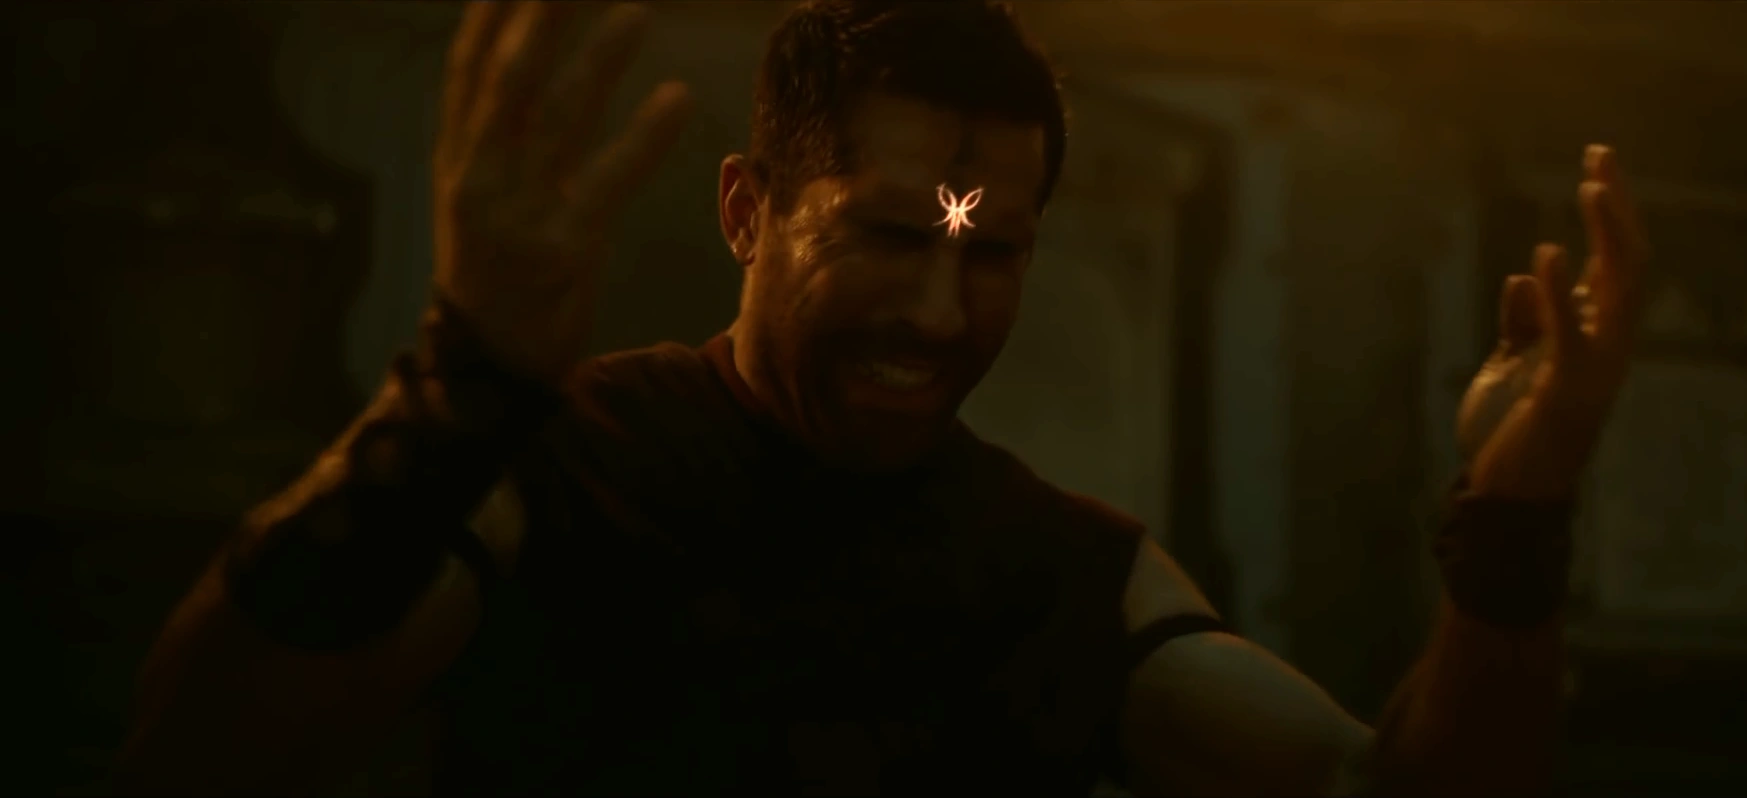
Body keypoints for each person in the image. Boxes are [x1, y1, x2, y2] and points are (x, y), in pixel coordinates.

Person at [113, 1, 1650, 795]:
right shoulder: (561, 467)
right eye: (889, 235)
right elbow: (194, 759)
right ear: (748, 210)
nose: (937, 310)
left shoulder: (1058, 572)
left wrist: (1517, 513)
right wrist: (453, 388)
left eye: (994, 252)